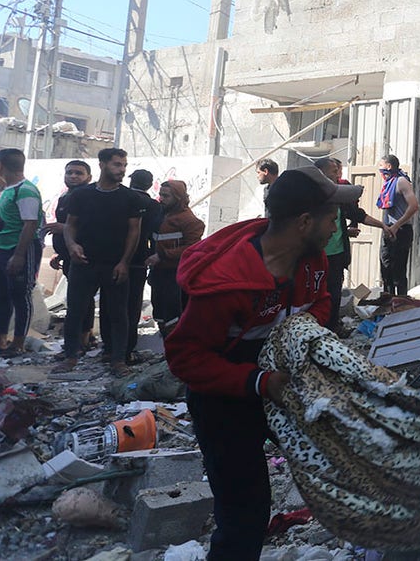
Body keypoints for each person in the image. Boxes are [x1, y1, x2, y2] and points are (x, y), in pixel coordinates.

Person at [164, 166, 360, 559]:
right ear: (305, 222)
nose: (335, 228)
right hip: (225, 401)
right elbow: (185, 357)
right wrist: (260, 381)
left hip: (283, 389)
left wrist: (301, 338)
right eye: (331, 219)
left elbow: (320, 302)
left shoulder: (312, 258)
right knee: (244, 514)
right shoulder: (226, 283)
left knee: (352, 465)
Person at [55, 148, 144, 376]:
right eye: (117, 164)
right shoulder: (81, 195)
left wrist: (125, 262)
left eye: (124, 165)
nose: (122, 170)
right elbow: (70, 225)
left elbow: (134, 232)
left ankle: (118, 360)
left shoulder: (129, 197)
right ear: (102, 164)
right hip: (84, 263)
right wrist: (72, 245)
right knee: (75, 310)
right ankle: (71, 356)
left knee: (118, 313)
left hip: (115, 264)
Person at [313, 157, 384, 332]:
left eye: (338, 171)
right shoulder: (309, 198)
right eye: (334, 172)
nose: (338, 175)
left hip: (337, 254)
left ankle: (332, 326)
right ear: (321, 174)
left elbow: (357, 215)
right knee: (316, 293)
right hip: (316, 255)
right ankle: (316, 328)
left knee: (334, 292)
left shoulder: (339, 196)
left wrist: (383, 225)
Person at [46, 160, 95, 349]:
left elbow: (89, 227)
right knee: (77, 298)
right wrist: (60, 253)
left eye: (78, 173)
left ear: (88, 177)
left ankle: (83, 339)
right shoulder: (66, 197)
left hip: (82, 256)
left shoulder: (88, 197)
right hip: (68, 256)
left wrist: (63, 227)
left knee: (82, 299)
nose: (73, 176)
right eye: (69, 173)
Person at [0, 149, 43, 356]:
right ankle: (2, 341)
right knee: (3, 295)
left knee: (20, 295)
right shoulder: (7, 190)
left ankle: (18, 343)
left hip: (20, 251)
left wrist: (19, 255)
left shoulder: (25, 190)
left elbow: (30, 224)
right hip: (3, 249)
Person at [115, 169, 162, 364]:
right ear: (150, 185)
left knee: (114, 305)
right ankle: (126, 350)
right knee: (132, 306)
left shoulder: (120, 198)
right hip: (139, 262)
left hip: (114, 259)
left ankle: (111, 349)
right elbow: (155, 234)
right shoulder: (154, 206)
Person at [147, 179, 204, 338]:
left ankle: (174, 348)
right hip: (158, 272)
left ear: (177, 198)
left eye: (166, 196)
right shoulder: (161, 215)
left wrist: (162, 255)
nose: (161, 199)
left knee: (173, 313)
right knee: (159, 311)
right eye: (160, 195)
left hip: (175, 273)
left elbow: (192, 247)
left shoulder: (189, 221)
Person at [376, 154, 419, 296]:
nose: (379, 169)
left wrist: (397, 225)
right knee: (385, 266)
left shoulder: (401, 182)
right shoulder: (387, 184)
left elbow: (413, 206)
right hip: (388, 230)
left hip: (401, 230)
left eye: (381, 166)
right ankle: (388, 299)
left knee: (398, 271)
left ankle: (401, 302)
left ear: (389, 166)